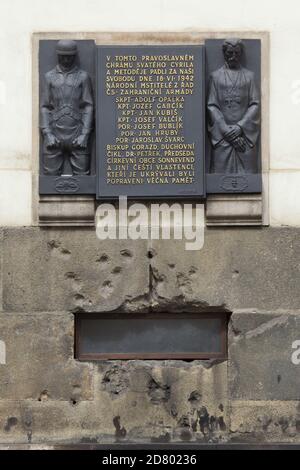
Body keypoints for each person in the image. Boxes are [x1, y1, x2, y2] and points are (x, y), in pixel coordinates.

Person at [40, 40, 94, 175]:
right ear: (58, 55)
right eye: (63, 56)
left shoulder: (83, 77)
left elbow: (88, 106)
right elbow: (45, 107)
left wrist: (85, 134)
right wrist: (48, 134)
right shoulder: (49, 77)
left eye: (69, 56)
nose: (66, 59)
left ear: (74, 56)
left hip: (77, 132)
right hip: (54, 132)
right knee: (49, 180)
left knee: (83, 180)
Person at [207, 38, 260, 174]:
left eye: (237, 53)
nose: (233, 57)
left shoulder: (249, 77)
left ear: (241, 53)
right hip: (222, 137)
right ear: (224, 53)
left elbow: (255, 104)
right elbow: (212, 106)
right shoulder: (216, 77)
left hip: (245, 138)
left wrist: (240, 127)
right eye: (230, 53)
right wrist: (226, 131)